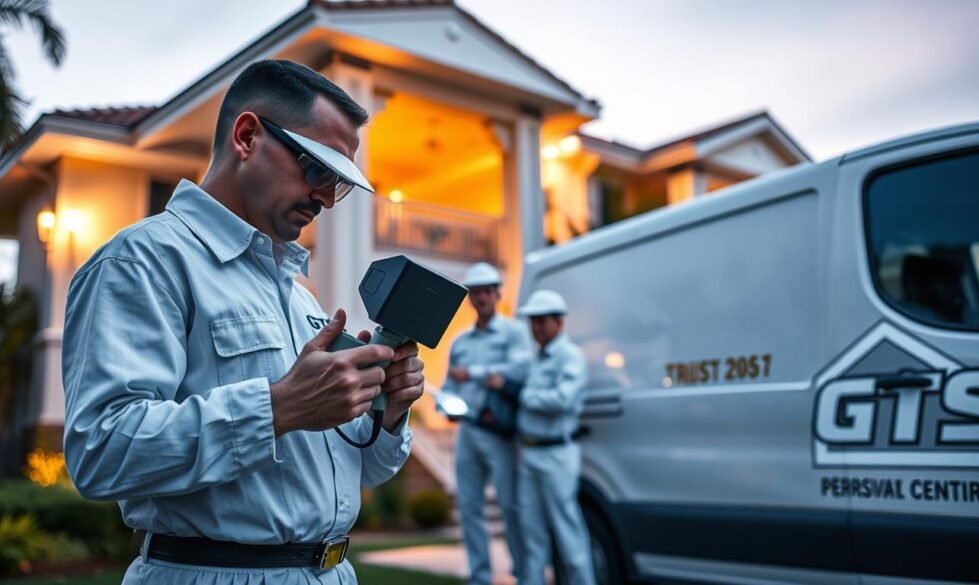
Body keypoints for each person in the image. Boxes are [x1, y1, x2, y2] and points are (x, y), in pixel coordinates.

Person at [61, 60, 425, 585]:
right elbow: (101, 451)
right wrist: (277, 408)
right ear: (248, 136)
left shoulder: (300, 299)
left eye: (339, 183)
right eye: (317, 168)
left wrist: (385, 414)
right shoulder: (144, 262)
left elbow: (361, 470)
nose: (325, 196)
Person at [442, 262, 532, 585]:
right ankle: (480, 577)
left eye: (486, 291)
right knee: (469, 508)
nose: (481, 297)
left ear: (497, 294)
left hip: (500, 433)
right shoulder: (460, 342)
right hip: (467, 430)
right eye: (475, 292)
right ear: (470, 298)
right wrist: (446, 404)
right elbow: (451, 384)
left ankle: (525, 574)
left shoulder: (515, 332)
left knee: (510, 505)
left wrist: (476, 375)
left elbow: (521, 369)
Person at [515, 289, 596, 585]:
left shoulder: (569, 356)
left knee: (567, 532)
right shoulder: (537, 358)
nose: (535, 327)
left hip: (557, 454)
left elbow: (562, 399)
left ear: (558, 324)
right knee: (531, 535)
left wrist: (526, 396)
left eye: (542, 321)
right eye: (533, 321)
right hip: (531, 453)